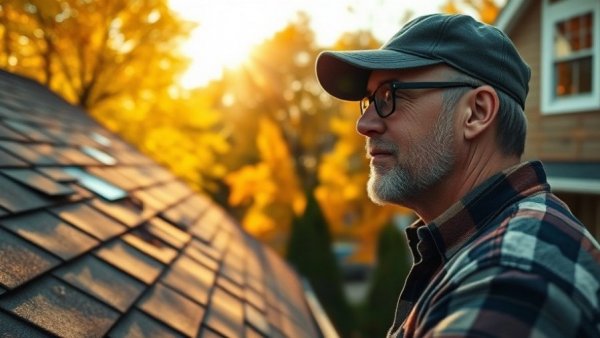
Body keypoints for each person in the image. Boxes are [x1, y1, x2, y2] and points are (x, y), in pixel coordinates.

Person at [315, 13, 600, 338]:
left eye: (389, 95)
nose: (364, 124)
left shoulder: (511, 279)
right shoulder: (477, 246)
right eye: (369, 101)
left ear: (476, 113)